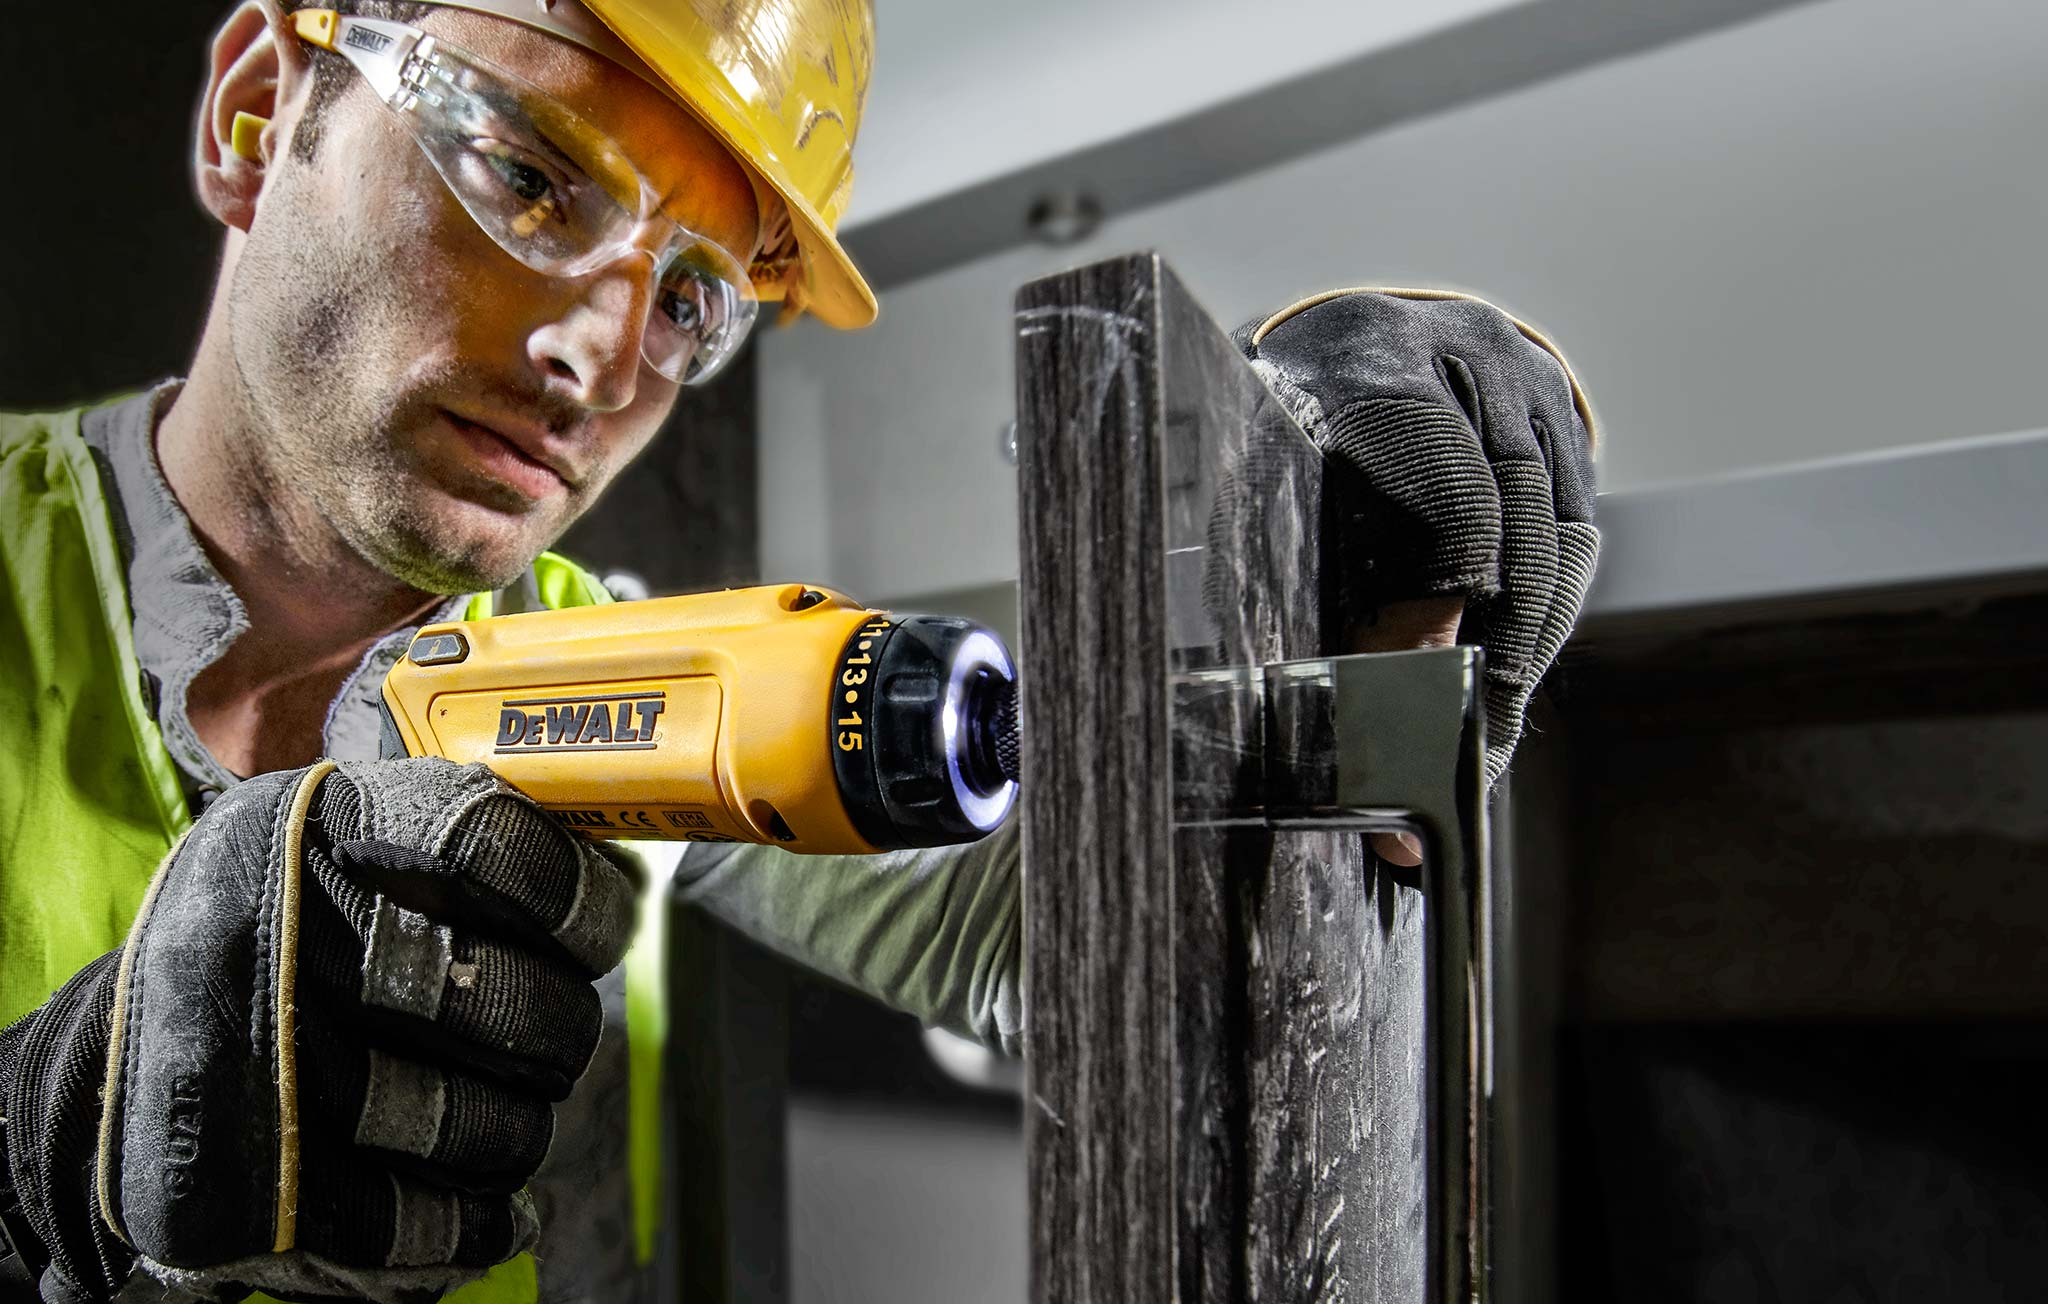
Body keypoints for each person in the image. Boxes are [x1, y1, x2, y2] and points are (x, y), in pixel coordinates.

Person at [0, 0, 1601, 1299]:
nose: (601, 361)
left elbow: (1126, 941)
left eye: (693, 299)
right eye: (535, 177)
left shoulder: (595, 676)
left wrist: (1311, 588)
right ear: (261, 111)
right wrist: (26, 1163)